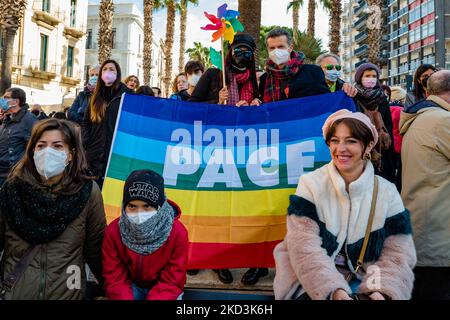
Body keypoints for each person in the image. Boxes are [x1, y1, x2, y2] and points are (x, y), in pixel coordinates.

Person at [274, 109, 416, 300]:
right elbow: (303, 246)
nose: (341, 149)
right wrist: (333, 291)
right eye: (335, 140)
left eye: (351, 141)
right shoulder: (310, 183)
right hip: (311, 280)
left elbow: (398, 251)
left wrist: (379, 290)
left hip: (365, 280)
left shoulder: (387, 191)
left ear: (368, 145)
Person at [0, 118, 106, 299]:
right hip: (17, 292)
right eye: (41, 146)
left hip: (67, 293)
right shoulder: (11, 190)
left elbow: (96, 250)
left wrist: (108, 289)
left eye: (57, 146)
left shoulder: (87, 192)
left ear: (71, 154)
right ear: (32, 150)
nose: (48, 152)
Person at [399, 70, 450, 300]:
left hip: (423, 231)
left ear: (428, 92)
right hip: (440, 236)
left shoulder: (421, 117)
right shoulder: (442, 121)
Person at [102, 169, 188, 300]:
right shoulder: (113, 232)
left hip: (166, 291)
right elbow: (114, 277)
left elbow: (172, 279)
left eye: (147, 206)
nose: (139, 213)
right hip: (130, 288)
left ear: (160, 206)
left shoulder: (177, 233)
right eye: (132, 206)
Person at [81, 59, 132, 188]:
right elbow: (86, 122)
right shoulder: (96, 96)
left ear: (118, 74)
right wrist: (86, 141)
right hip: (95, 154)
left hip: (116, 153)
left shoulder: (127, 95)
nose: (107, 72)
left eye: (111, 69)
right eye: (104, 69)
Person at [259, 28, 329, 103]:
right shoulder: (264, 78)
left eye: (280, 46)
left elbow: (328, 99)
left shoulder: (313, 72)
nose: (276, 51)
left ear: (290, 47)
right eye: (272, 48)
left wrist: (342, 85)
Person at [353, 63, 396, 183]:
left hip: (382, 148)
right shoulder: (353, 96)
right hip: (361, 146)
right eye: (367, 75)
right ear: (360, 77)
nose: (371, 79)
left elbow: (388, 123)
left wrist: (388, 141)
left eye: (374, 76)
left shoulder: (382, 97)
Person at [190, 33, 260, 107]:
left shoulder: (252, 79)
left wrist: (254, 106)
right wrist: (218, 102)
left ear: (251, 57)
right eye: (238, 51)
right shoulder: (212, 74)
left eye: (247, 53)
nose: (242, 55)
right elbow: (191, 105)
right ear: (230, 52)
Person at [0, 88, 37, 186]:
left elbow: (33, 148)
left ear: (16, 101)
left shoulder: (29, 119)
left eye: (6, 98)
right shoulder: (7, 118)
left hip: (12, 175)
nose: (2, 100)